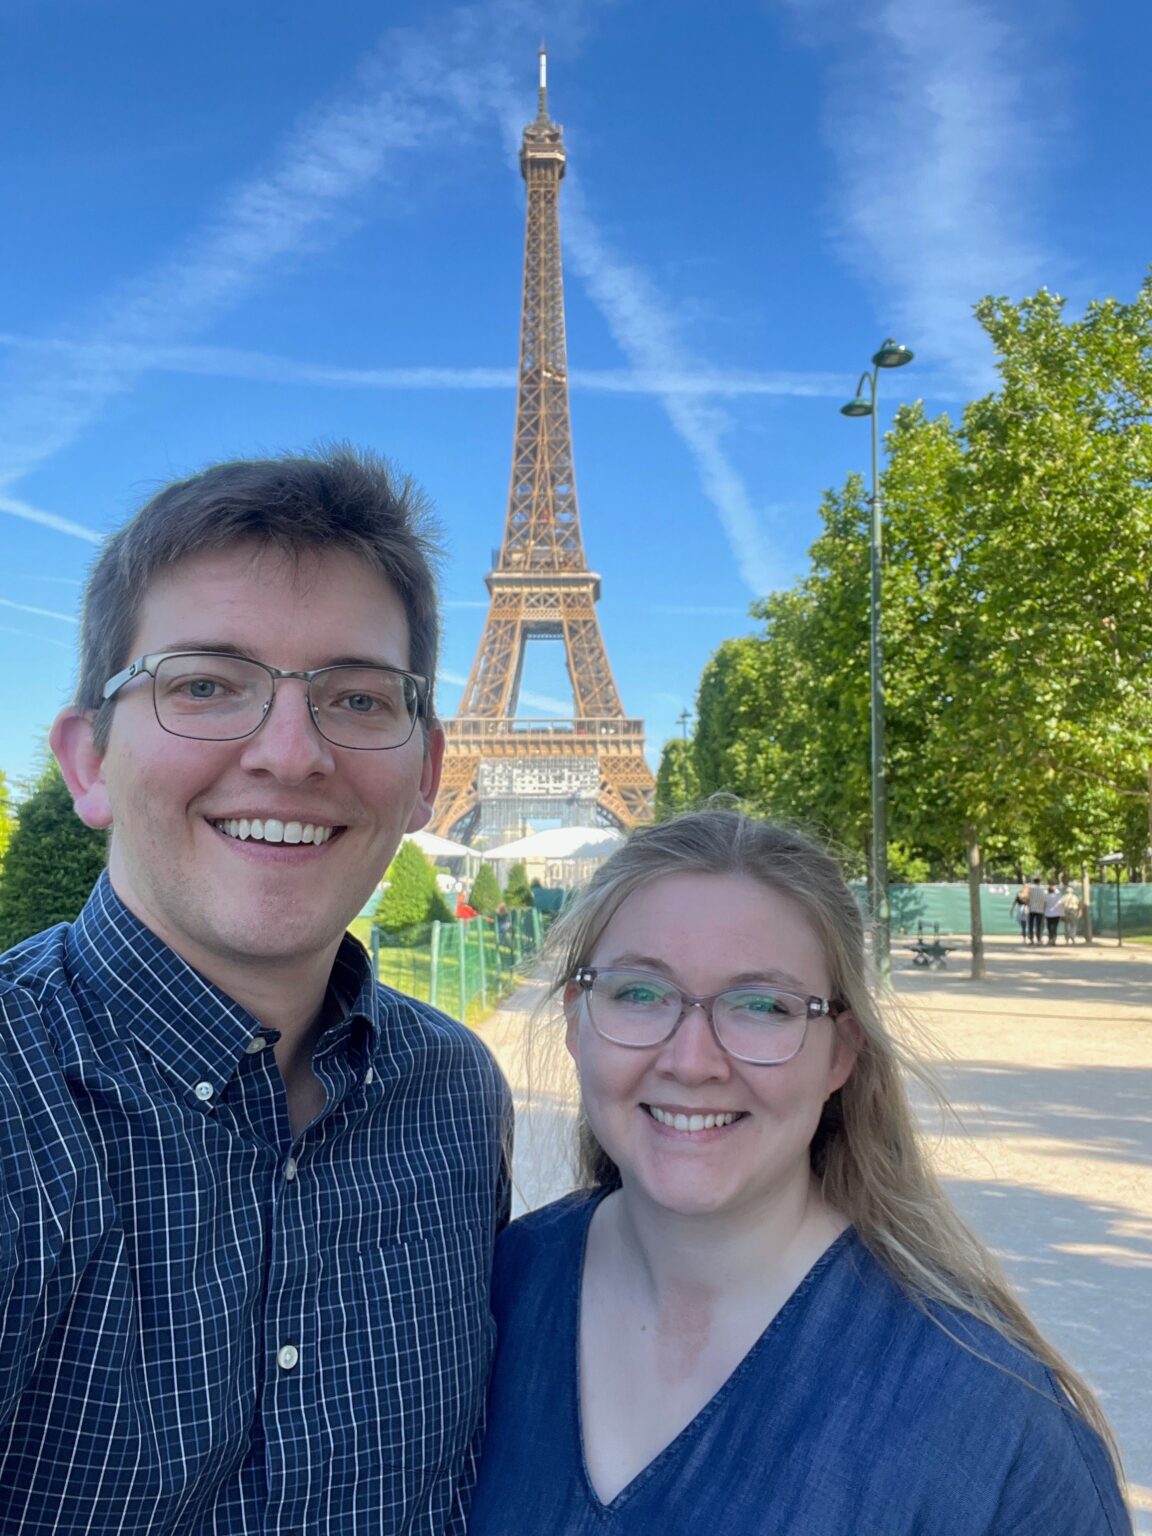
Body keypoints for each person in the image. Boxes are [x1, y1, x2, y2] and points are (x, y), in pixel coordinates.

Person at [0, 450, 511, 1533]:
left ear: (430, 774)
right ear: (87, 763)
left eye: (359, 697)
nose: (291, 753)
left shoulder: (459, 1098)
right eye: (204, 685)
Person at [470, 810, 1131, 1535]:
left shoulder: (1001, 1428)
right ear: (576, 1021)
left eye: (762, 1005)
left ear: (840, 1054)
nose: (692, 1061)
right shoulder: (483, 1296)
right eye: (639, 993)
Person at [1026, 875, 1048, 945]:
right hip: (1040, 909)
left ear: (1033, 881)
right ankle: (1039, 939)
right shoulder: (1043, 889)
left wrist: (1027, 905)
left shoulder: (1030, 888)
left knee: (1030, 924)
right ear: (1039, 882)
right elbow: (1045, 900)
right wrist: (1044, 908)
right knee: (1039, 925)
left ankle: (1031, 939)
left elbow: (1027, 898)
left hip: (1031, 908)